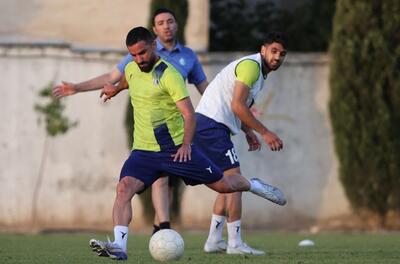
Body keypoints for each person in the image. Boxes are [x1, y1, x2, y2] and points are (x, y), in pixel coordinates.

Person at [88, 26, 286, 261]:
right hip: (144, 150)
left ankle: (251, 185)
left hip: (175, 149)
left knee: (224, 185)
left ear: (154, 45)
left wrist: (186, 145)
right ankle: (119, 246)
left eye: (142, 53)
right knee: (123, 189)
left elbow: (189, 115)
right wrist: (115, 89)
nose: (139, 59)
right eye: (133, 55)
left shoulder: (169, 74)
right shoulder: (132, 68)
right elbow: (129, 80)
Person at [52, 8, 208, 234]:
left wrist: (239, 108)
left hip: (177, 126)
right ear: (154, 32)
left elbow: (205, 89)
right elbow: (113, 78)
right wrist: (77, 87)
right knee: (160, 178)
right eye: (161, 23)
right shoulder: (139, 52)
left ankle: (162, 225)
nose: (166, 26)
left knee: (171, 181)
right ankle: (162, 227)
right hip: (153, 128)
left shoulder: (189, 56)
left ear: (176, 24)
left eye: (170, 21)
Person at [195, 32, 288, 255]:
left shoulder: (260, 75)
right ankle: (235, 243)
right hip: (211, 125)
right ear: (263, 49)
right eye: (274, 51)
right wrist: (265, 132)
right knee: (236, 181)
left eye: (282, 54)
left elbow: (238, 106)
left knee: (227, 183)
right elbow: (237, 105)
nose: (277, 57)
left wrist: (248, 132)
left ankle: (214, 240)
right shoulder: (252, 67)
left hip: (210, 126)